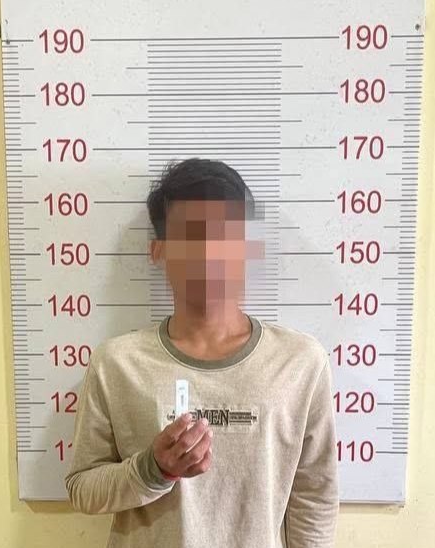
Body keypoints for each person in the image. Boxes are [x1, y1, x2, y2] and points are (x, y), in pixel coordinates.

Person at [65, 158, 338, 548]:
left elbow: (315, 496)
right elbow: (82, 488)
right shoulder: (116, 363)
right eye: (191, 237)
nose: (210, 253)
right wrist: (152, 470)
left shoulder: (300, 362)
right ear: (158, 251)